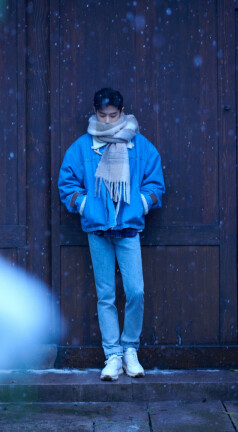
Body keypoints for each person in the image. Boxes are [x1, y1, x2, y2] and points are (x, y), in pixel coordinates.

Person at [58, 87, 165, 381]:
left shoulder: (140, 146)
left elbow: (156, 185)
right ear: (95, 113)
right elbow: (66, 184)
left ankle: (130, 349)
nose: (107, 121)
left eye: (113, 115)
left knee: (136, 291)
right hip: (97, 230)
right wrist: (86, 206)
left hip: (129, 229)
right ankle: (113, 355)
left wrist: (139, 205)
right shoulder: (82, 148)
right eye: (102, 116)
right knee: (105, 295)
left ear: (122, 112)